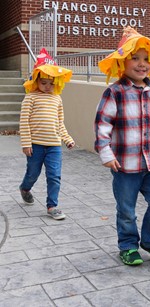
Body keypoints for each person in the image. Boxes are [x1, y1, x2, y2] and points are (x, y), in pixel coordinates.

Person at [94, 27, 150, 265]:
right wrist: (106, 153)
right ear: (122, 62)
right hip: (124, 166)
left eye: (147, 59)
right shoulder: (114, 92)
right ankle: (128, 245)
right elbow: (102, 125)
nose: (142, 64)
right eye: (135, 58)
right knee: (126, 209)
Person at [19, 48, 75, 220]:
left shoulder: (57, 99)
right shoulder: (30, 98)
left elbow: (60, 123)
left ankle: (52, 206)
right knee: (33, 173)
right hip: (35, 145)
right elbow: (24, 122)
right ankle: (25, 188)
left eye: (51, 83)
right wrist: (26, 143)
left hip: (53, 146)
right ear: (36, 81)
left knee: (54, 176)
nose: (48, 86)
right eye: (43, 82)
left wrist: (67, 138)